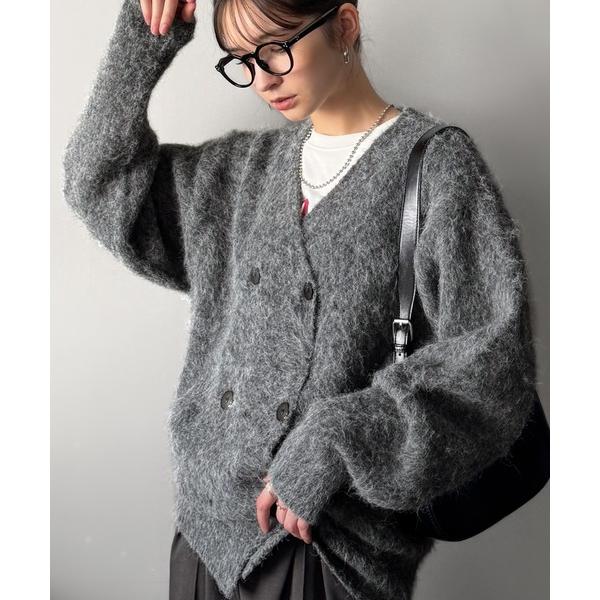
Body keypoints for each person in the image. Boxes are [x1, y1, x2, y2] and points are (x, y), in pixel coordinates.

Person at [62, 1, 541, 599]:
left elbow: (492, 365)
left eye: (275, 49)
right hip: (205, 544)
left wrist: (338, 440)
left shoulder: (436, 167)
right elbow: (96, 183)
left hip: (327, 551)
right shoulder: (240, 173)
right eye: (242, 60)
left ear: (345, 25)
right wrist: (143, 32)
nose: (262, 79)